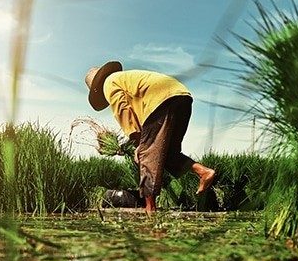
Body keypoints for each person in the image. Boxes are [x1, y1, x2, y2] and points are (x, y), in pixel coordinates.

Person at [85, 61, 215, 213]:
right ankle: (203, 172)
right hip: (182, 97)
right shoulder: (124, 79)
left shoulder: (109, 83)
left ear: (95, 88)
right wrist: (137, 143)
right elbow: (140, 117)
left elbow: (123, 109)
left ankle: (150, 209)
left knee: (147, 156)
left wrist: (139, 143)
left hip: (161, 101)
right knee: (169, 155)